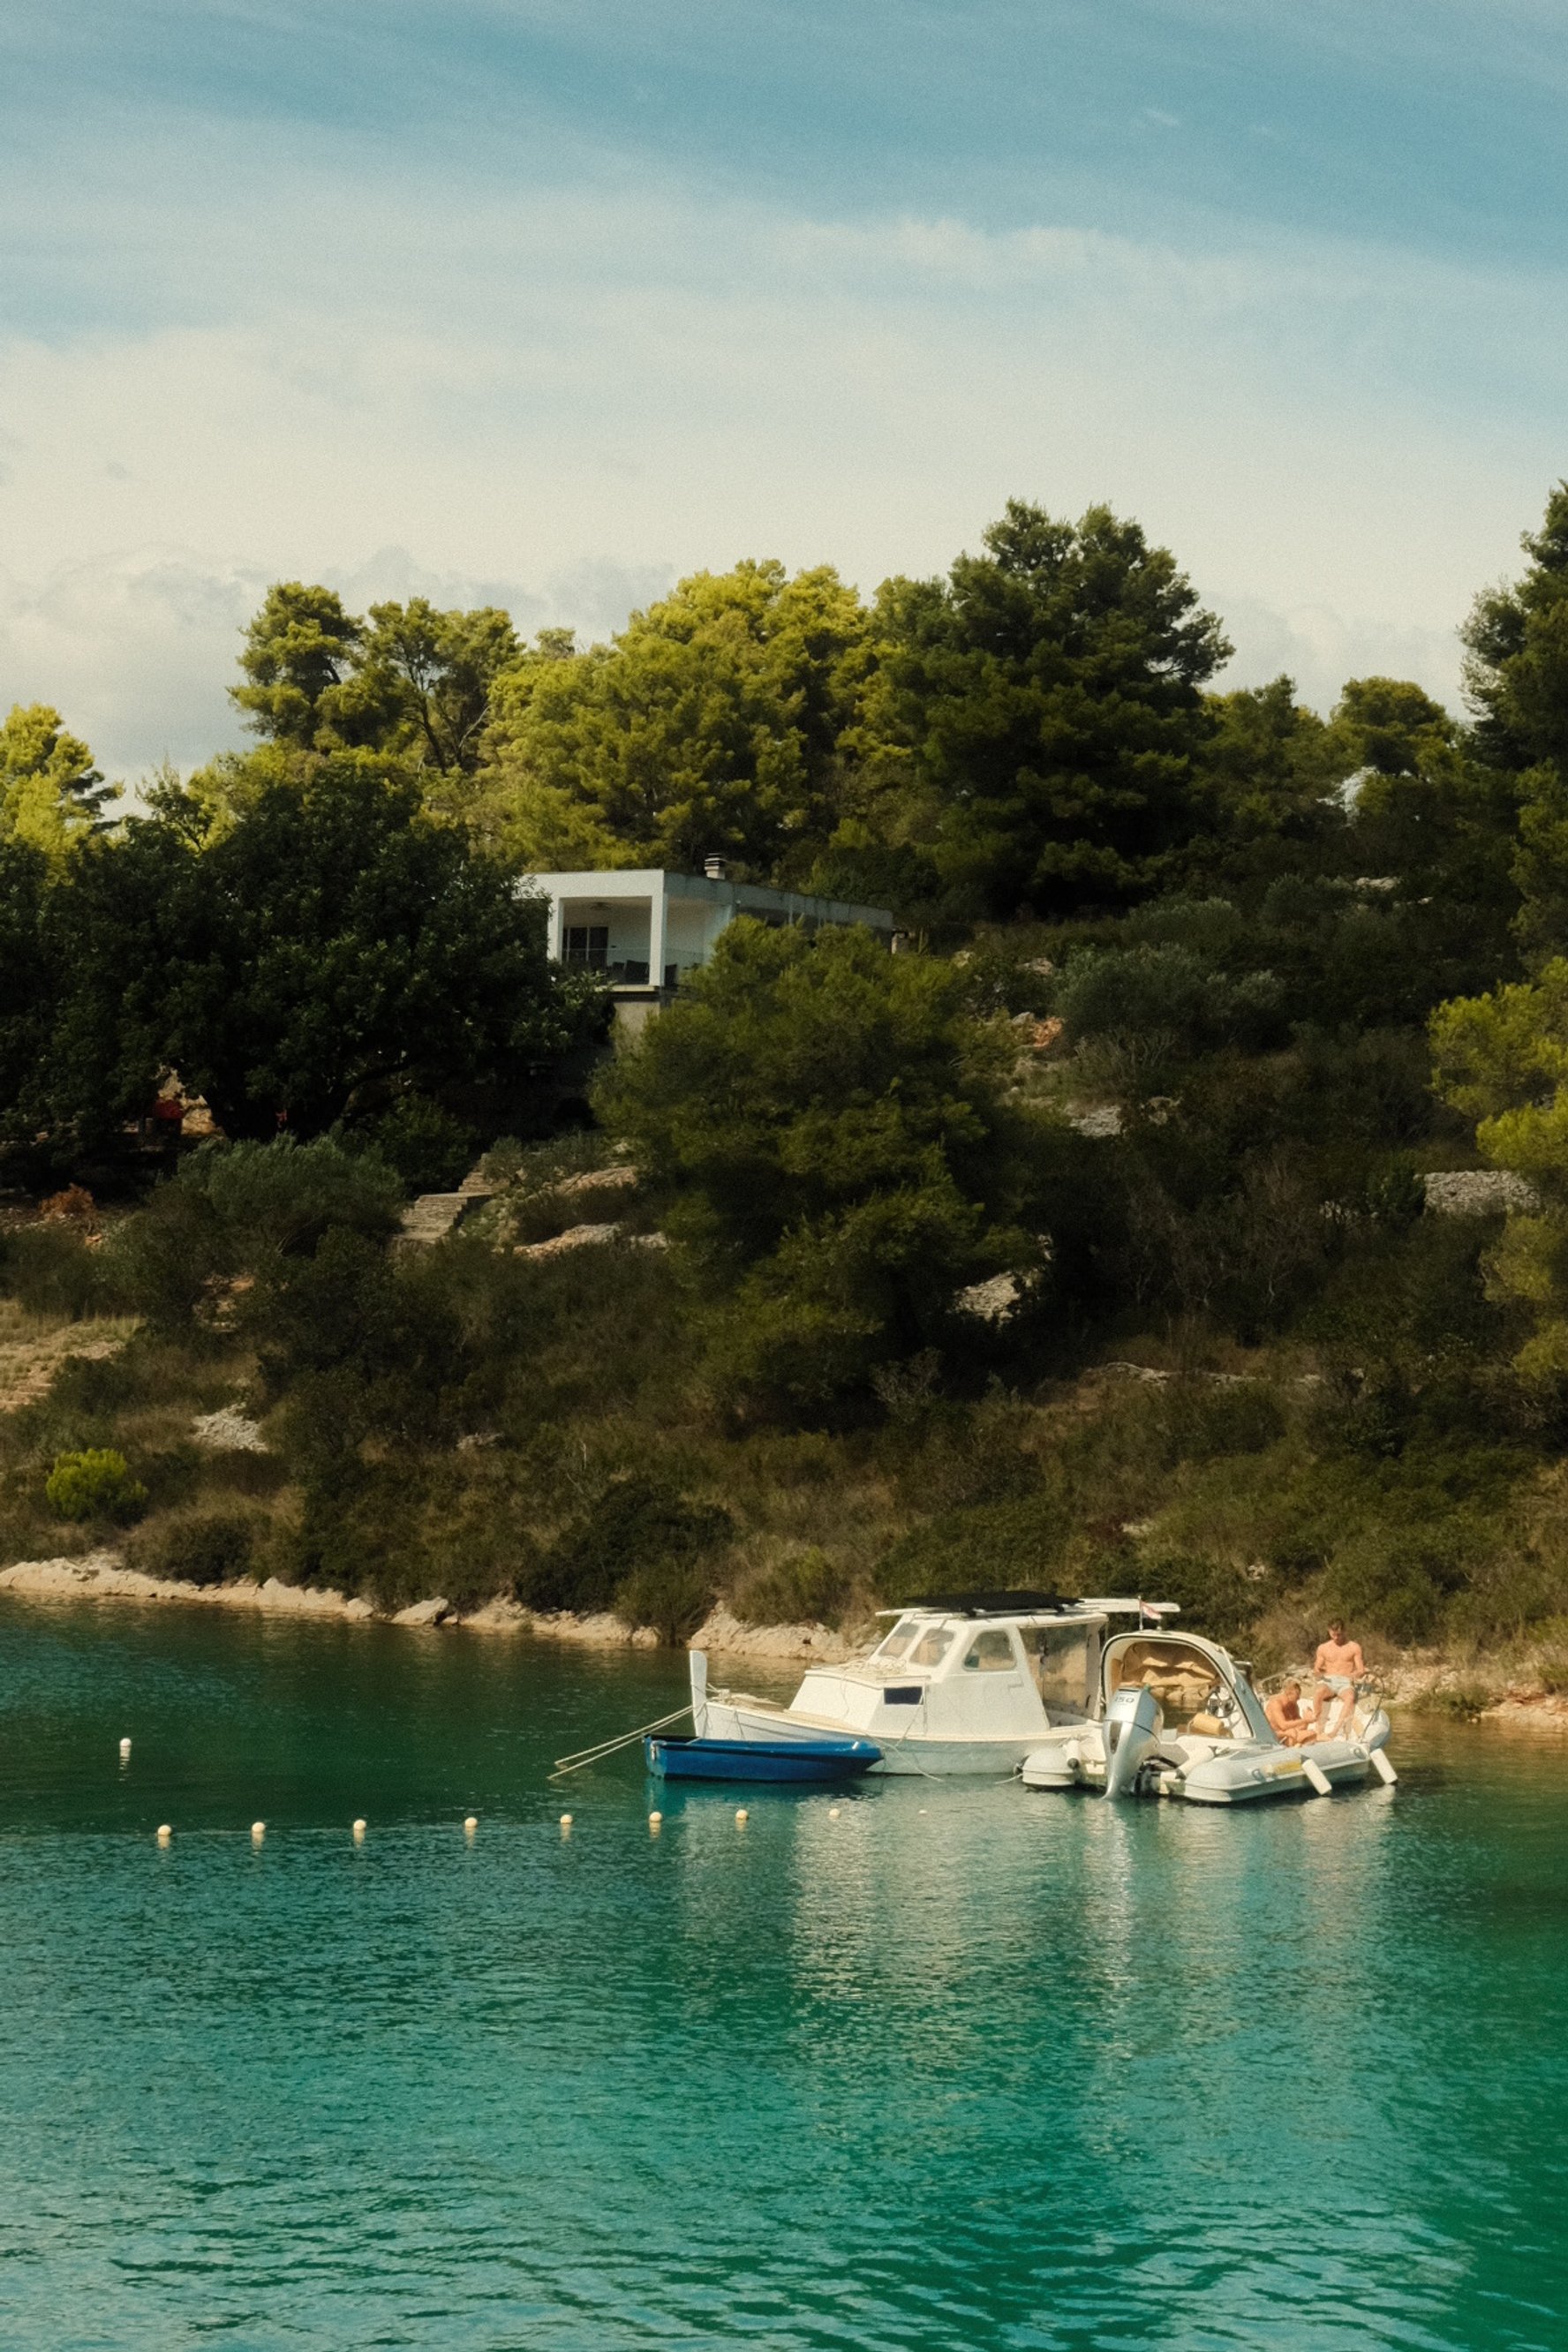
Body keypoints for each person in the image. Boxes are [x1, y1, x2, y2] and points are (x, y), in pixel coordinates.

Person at [1314, 1620, 1365, 1738]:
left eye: (1339, 1634)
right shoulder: (1323, 1648)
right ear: (1329, 1632)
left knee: (1350, 1697)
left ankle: (1335, 1730)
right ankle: (1319, 1729)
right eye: (1333, 1635)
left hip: (1345, 1681)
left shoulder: (1354, 1647)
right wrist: (1318, 1671)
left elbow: (1360, 1670)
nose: (1336, 1637)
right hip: (1328, 1680)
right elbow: (1316, 1668)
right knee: (1318, 1693)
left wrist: (1354, 1675)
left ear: (1344, 1631)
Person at [1264, 1681, 1317, 1745]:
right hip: (1275, 1738)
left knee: (1312, 1734)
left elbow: (1301, 1727)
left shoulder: (1294, 1706)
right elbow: (1283, 1725)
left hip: (1289, 1737)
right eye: (1297, 1695)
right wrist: (1305, 1720)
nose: (1298, 1698)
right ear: (1289, 1693)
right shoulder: (1276, 1704)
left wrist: (1307, 1720)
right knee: (1308, 1735)